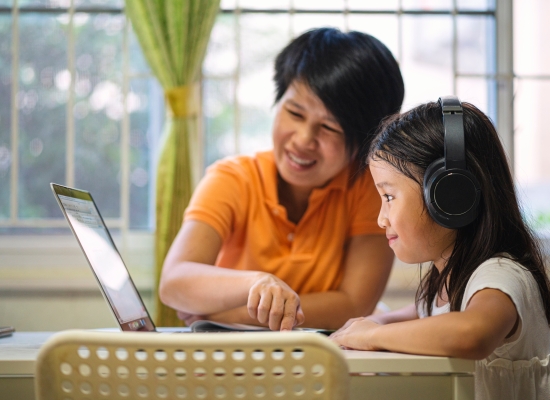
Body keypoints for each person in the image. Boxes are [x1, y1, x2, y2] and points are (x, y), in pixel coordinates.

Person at [159, 27, 405, 331]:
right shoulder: (233, 178)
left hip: (317, 363)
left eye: (329, 127)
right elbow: (174, 282)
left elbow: (355, 304)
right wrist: (258, 284)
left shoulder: (368, 190)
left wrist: (228, 315)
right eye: (295, 113)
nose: (303, 140)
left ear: (366, 140)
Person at [329, 97, 550, 399]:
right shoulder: (448, 278)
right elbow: (419, 315)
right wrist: (371, 323)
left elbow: (472, 334)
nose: (380, 219)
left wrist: (373, 336)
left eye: (389, 197)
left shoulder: (500, 276)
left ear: (449, 195)